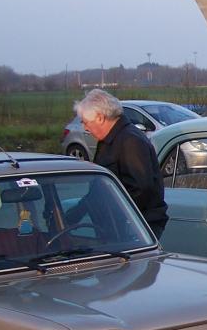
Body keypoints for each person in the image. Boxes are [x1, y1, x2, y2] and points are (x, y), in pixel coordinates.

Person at [72, 89, 169, 238]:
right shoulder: (110, 140)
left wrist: (115, 213)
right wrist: (76, 213)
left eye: (85, 122)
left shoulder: (130, 141)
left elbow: (141, 189)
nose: (85, 127)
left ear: (99, 118)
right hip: (119, 225)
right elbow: (99, 188)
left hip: (135, 227)